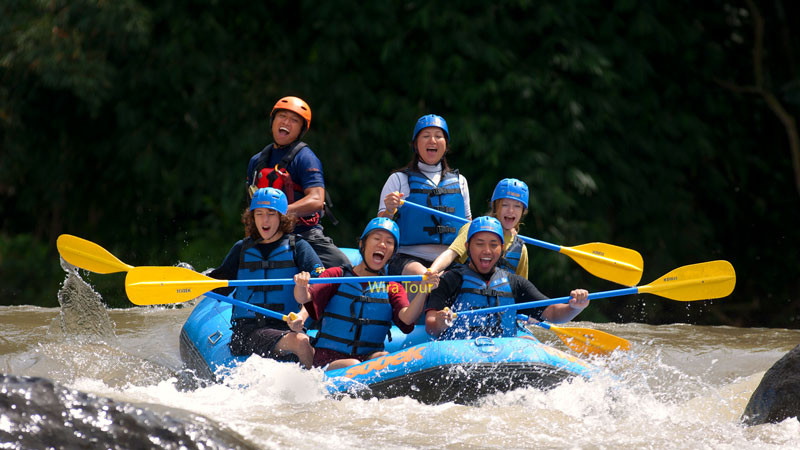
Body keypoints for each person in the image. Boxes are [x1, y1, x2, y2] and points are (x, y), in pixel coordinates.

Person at [293, 218, 440, 370]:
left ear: (392, 254)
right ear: (362, 245)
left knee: (382, 358)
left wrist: (423, 290)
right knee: (353, 364)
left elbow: (407, 318)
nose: (382, 244)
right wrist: (301, 285)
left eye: (389, 242)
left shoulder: (392, 287)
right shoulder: (336, 275)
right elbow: (304, 297)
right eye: (376, 238)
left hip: (367, 359)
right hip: (328, 360)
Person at [207, 187, 324, 369]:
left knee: (309, 342)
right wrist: (200, 284)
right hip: (247, 333)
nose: (265, 220)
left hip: (287, 327)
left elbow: (320, 289)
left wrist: (302, 315)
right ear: (252, 217)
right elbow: (219, 287)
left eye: (271, 213)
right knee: (301, 342)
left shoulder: (298, 247)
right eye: (259, 214)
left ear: (281, 217)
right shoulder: (241, 249)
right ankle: (321, 394)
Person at [425, 216, 589, 340]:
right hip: (461, 353)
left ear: (502, 249)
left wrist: (574, 307)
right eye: (480, 243)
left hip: (504, 354)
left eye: (493, 245)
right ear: (467, 247)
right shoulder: (451, 280)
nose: (487, 250)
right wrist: (440, 321)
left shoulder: (515, 283)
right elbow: (431, 326)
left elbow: (553, 313)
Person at [245, 96, 350, 269]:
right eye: (282, 116)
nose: (287, 122)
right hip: (264, 236)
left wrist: (278, 213)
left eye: (294, 120)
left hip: (304, 234)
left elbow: (316, 200)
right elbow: (250, 210)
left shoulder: (306, 158)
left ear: (301, 130)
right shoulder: (256, 161)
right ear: (273, 121)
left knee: (343, 265)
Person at [378, 114, 471, 277]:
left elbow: (468, 227)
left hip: (451, 262)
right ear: (415, 144)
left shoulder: (461, 181)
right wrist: (389, 211)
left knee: (454, 279)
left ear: (446, 145)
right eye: (426, 136)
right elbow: (380, 226)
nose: (432, 141)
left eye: (438, 136)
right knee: (423, 276)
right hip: (408, 259)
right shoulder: (398, 180)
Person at [429, 178, 530, 278]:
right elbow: (450, 254)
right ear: (495, 207)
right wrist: (432, 271)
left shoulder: (521, 250)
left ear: (523, 211)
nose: (511, 210)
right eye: (505, 205)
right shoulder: (473, 228)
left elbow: (521, 288)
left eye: (517, 206)